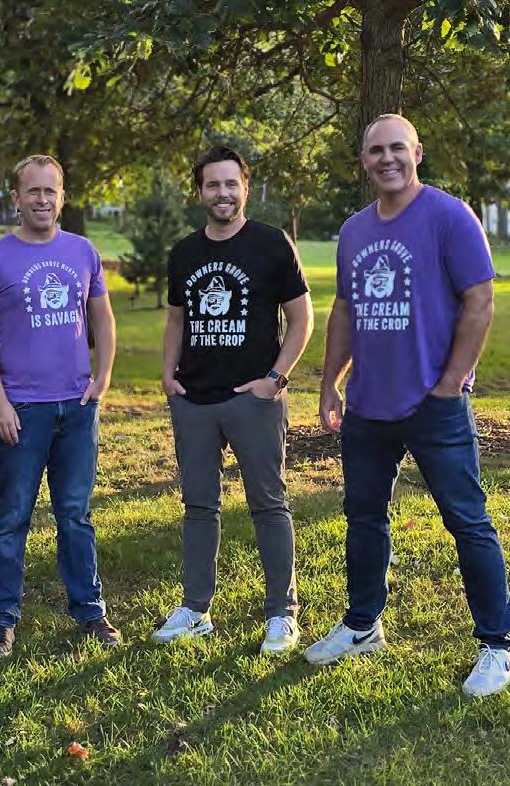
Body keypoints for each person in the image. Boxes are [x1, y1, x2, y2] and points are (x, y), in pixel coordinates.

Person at [306, 114, 510, 698]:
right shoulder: (354, 230)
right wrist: (330, 383)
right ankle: (362, 625)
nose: (387, 159)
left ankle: (497, 645)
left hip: (434, 404)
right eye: (376, 151)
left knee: (466, 520)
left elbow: (480, 301)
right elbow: (345, 310)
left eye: (397, 148)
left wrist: (450, 383)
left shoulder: (449, 216)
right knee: (363, 517)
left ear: (417, 152)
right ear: (364, 161)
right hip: (369, 406)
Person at [153, 145, 314, 655]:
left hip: (254, 398)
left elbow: (302, 318)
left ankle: (282, 614)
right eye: (212, 185)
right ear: (199, 192)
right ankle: (196, 609)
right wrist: (168, 376)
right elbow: (177, 319)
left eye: (230, 183)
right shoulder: (184, 252)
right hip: (194, 400)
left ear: (245, 187)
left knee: (269, 503)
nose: (222, 193)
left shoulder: (271, 243)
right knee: (199, 505)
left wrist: (276, 379)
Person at [0, 154, 121, 657]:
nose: (41, 199)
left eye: (50, 190)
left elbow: (102, 318)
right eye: (32, 191)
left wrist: (102, 378)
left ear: (62, 197)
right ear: (16, 198)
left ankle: (90, 611)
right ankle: (2, 619)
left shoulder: (82, 251)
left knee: (75, 515)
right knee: (12, 516)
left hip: (76, 408)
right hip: (21, 410)